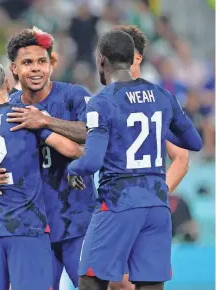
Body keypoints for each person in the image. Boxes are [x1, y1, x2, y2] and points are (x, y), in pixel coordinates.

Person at [67, 30, 202, 290]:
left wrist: (74, 169)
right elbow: (194, 142)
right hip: (157, 204)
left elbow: (92, 161)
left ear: (101, 60)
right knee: (150, 285)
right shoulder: (162, 96)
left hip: (119, 203)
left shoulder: (102, 102)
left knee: (90, 281)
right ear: (132, 59)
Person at [0, 27, 97, 289]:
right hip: (34, 229)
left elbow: (91, 133)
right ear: (13, 69)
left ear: (52, 64)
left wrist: (45, 120)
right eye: (27, 62)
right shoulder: (9, 109)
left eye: (42, 61)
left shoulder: (74, 95)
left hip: (77, 221)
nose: (36, 68)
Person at [109, 25, 191, 290]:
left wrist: (154, 195)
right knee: (116, 282)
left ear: (136, 58)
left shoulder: (158, 102)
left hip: (140, 209)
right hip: (114, 205)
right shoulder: (105, 100)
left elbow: (180, 158)